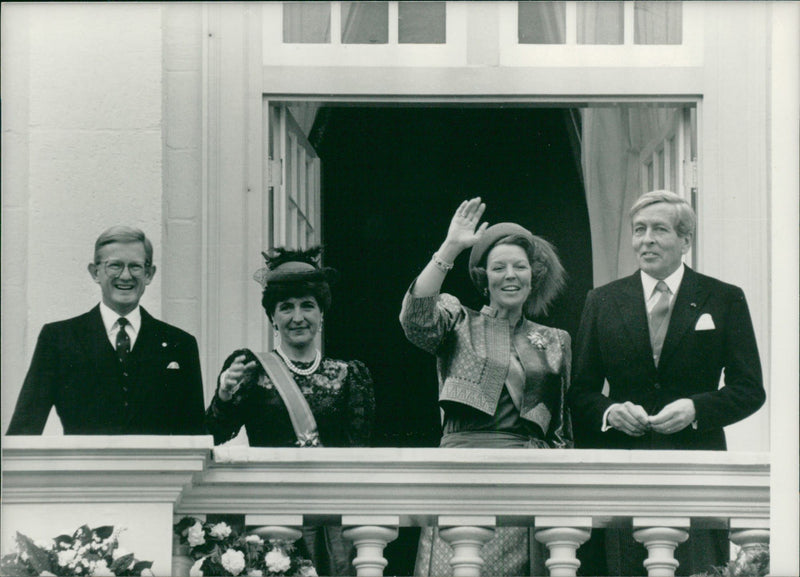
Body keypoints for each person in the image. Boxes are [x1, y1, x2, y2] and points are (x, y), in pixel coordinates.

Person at [568, 190, 766, 576]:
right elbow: (580, 391)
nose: (647, 239)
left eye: (659, 229)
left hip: (696, 465)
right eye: (639, 230)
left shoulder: (723, 298)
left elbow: (749, 389)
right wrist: (610, 411)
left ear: (685, 240)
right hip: (623, 466)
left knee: (698, 568)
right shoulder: (602, 301)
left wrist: (696, 409)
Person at [399, 197, 572, 576]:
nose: (510, 275)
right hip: (463, 472)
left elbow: (561, 428)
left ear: (534, 275)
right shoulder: (458, 320)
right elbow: (416, 319)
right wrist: (451, 247)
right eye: (499, 267)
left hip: (527, 477)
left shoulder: (556, 339)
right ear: (484, 277)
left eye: (519, 267)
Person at [205, 246, 375, 576]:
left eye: (307, 306)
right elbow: (211, 435)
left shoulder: (350, 375)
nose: (298, 317)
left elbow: (359, 458)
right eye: (286, 307)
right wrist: (223, 395)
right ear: (272, 317)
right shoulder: (252, 371)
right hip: (272, 515)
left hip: (331, 522)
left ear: (322, 313)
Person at [6, 226, 205, 435]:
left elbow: (195, 437)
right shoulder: (58, 339)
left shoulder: (180, 344)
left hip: (157, 468)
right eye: (115, 266)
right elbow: (23, 432)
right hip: (84, 467)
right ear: (95, 272)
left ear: (149, 274)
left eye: (135, 267)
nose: (126, 276)